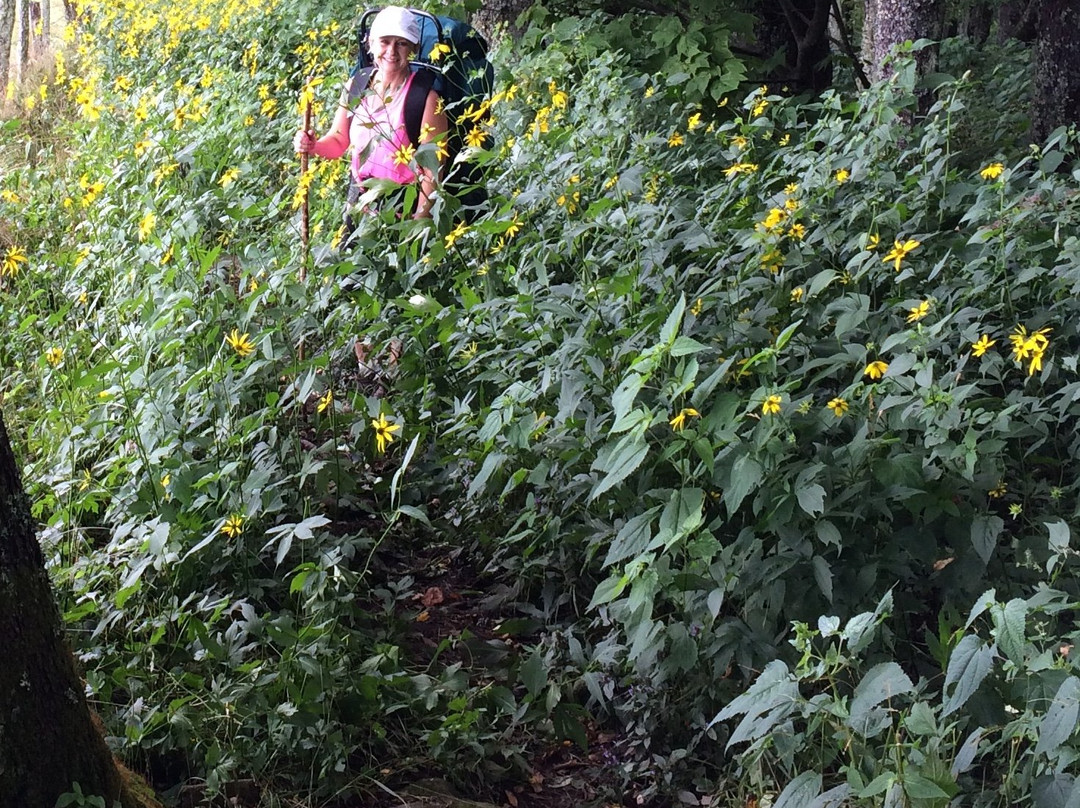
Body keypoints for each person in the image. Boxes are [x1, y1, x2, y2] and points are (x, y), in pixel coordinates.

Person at [293, 6, 448, 221]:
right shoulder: (356, 85)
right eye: (385, 42)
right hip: (360, 201)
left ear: (413, 48)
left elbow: (432, 171)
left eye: (401, 43)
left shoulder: (425, 99)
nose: (392, 52)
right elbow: (339, 140)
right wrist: (313, 146)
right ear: (371, 44)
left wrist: (419, 223)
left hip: (405, 206)